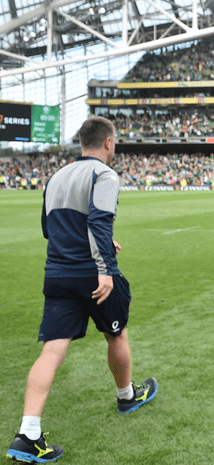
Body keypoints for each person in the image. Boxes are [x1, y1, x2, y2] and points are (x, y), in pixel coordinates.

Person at [6, 117, 157, 464]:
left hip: (57, 273)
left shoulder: (55, 176)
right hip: (92, 275)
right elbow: (98, 220)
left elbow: (50, 229)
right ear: (108, 142)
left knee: (52, 351)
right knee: (116, 335)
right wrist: (104, 268)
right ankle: (126, 396)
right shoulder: (103, 174)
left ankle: (28, 433)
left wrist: (97, 245)